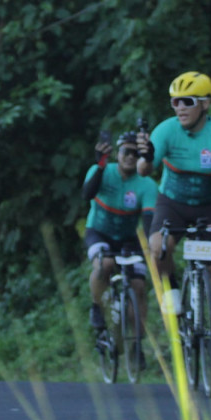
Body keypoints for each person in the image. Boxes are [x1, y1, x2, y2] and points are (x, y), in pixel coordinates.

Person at [139, 71, 211, 371]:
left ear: (205, 104)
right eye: (175, 102)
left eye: (187, 101)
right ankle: (171, 289)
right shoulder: (165, 130)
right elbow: (144, 171)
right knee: (158, 247)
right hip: (172, 203)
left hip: (208, 207)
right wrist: (145, 157)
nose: (180, 108)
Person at [83, 130, 157, 332]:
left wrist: (151, 245)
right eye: (126, 152)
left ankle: (137, 340)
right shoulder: (101, 171)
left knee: (138, 286)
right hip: (98, 232)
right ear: (117, 153)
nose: (131, 157)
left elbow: (149, 220)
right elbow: (86, 195)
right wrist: (100, 166)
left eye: (136, 153)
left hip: (128, 239)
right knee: (104, 265)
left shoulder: (147, 184)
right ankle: (97, 306)